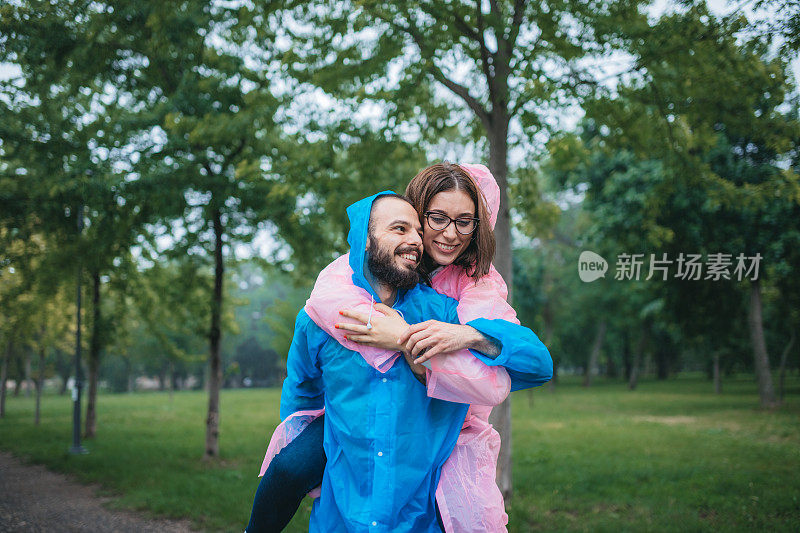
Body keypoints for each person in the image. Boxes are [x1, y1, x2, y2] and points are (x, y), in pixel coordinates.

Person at [248, 165, 552, 532]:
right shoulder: (340, 287)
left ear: (477, 226)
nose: (448, 234)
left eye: (464, 221)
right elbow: (304, 378)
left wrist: (462, 335)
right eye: (436, 219)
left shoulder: (471, 288)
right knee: (291, 465)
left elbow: (533, 365)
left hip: (447, 425)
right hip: (354, 437)